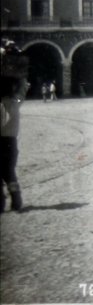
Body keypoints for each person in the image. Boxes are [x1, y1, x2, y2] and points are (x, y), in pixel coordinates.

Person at [1, 39, 27, 213]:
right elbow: (22, 91)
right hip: (10, 136)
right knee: (9, 170)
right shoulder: (15, 102)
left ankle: (1, 203)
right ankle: (16, 200)